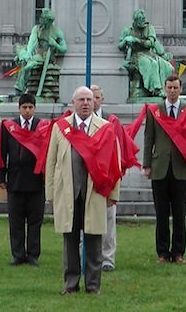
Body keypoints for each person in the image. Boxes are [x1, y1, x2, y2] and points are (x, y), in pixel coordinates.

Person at [45, 86, 121, 295]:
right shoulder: (60, 128)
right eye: (81, 100)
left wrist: (113, 194)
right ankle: (71, 284)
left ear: (95, 103)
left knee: (94, 241)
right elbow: (50, 163)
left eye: (89, 99)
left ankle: (93, 286)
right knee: (70, 241)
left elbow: (116, 163)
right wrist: (50, 193)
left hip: (94, 193)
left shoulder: (105, 127)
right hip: (67, 193)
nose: (86, 103)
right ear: (73, 103)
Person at [142, 74, 186, 264]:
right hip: (159, 167)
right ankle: (162, 252)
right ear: (164, 88)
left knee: (179, 213)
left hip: (180, 168)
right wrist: (146, 164)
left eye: (175, 88)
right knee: (161, 214)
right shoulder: (155, 111)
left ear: (180, 89)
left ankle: (178, 252)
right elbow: (148, 138)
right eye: (169, 88)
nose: (172, 91)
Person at [0, 93, 48, 266]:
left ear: (34, 108)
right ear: (19, 108)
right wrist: (1, 177)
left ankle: (33, 255)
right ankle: (17, 254)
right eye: (24, 107)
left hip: (36, 181)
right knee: (15, 221)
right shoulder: (9, 126)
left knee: (35, 222)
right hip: (15, 181)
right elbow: (2, 152)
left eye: (30, 107)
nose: (27, 110)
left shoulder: (42, 126)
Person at [92, 84, 138, 271]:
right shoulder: (77, 121)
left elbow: (119, 151)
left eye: (96, 97)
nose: (92, 101)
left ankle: (107, 258)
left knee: (109, 220)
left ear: (102, 99)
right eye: (88, 97)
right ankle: (84, 254)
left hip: (107, 177)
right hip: (86, 177)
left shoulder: (112, 121)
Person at [119, 9, 174, 98]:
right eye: (141, 20)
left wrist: (136, 40)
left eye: (144, 19)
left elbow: (150, 43)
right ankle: (156, 90)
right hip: (136, 55)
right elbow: (120, 46)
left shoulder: (149, 28)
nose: (144, 22)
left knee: (168, 67)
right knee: (151, 64)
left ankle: (165, 89)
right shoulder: (127, 30)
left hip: (149, 53)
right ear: (136, 21)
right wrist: (126, 40)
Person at [13, 8, 67, 94]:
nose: (40, 19)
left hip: (44, 55)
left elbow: (64, 48)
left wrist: (55, 44)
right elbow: (32, 41)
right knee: (19, 49)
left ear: (48, 21)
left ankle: (20, 87)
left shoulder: (57, 32)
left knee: (28, 64)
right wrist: (28, 53)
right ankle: (24, 60)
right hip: (35, 51)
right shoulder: (37, 28)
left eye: (43, 18)